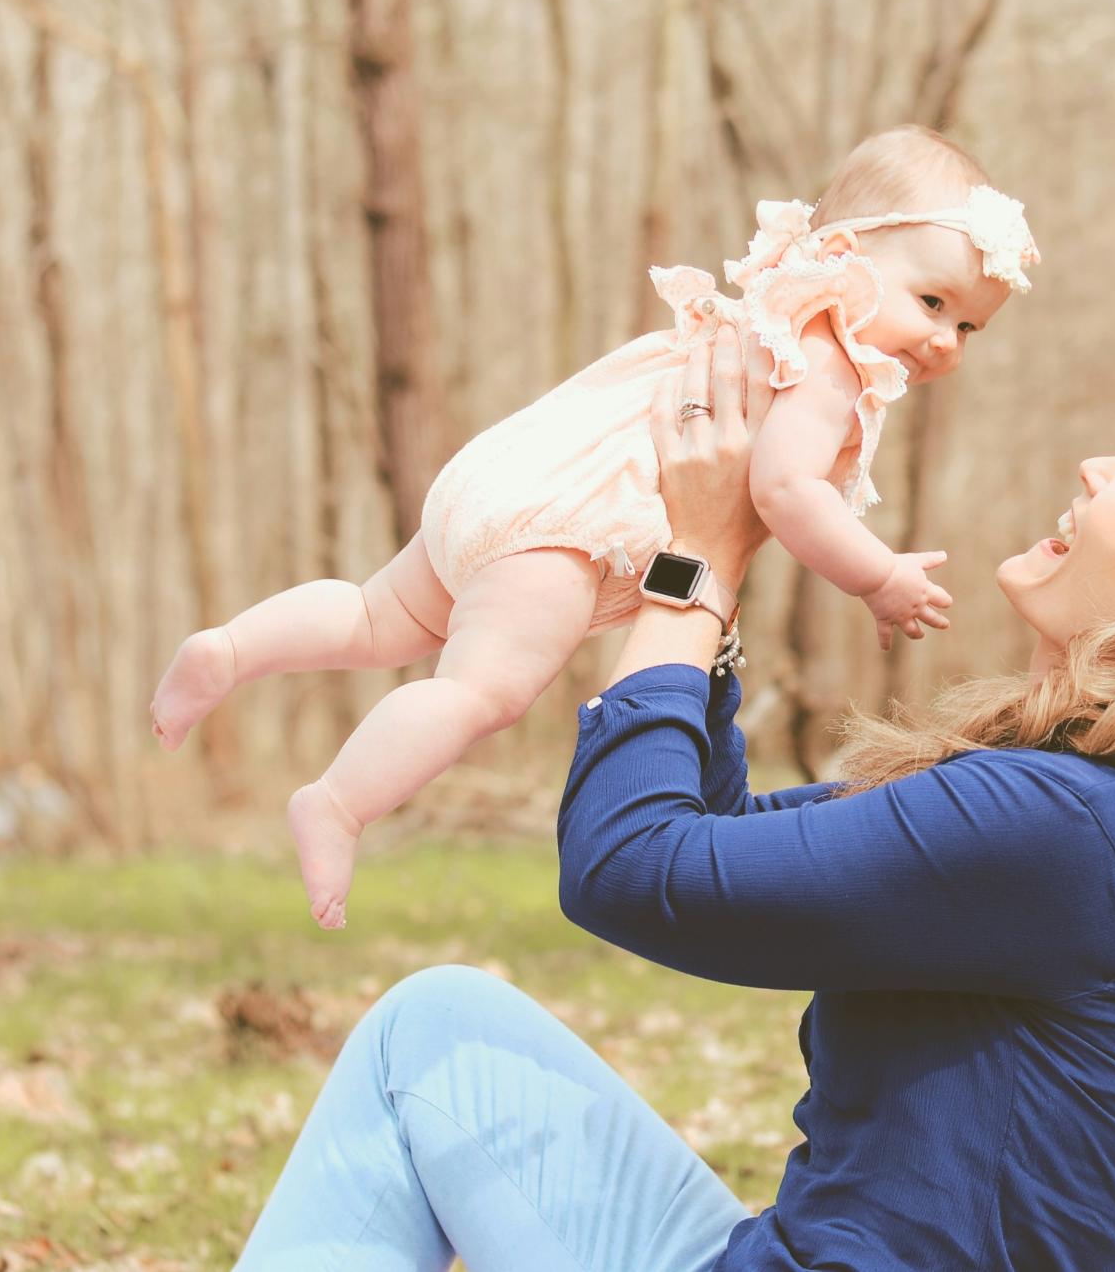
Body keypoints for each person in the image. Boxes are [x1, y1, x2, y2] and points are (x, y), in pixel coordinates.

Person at [230, 327, 1115, 1270]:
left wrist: (688, 573)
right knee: (439, 1032)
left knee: (423, 1040)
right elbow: (726, 847)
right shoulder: (1105, 828)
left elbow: (630, 868)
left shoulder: (1072, 833)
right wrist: (717, 566)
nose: (1093, 467)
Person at [146, 126, 1039, 930]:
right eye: (932, 303)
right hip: (565, 528)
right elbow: (783, 491)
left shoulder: (773, 308)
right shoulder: (829, 360)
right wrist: (875, 575)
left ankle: (231, 648)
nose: (947, 341)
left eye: (970, 326)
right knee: (480, 693)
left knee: (379, 615)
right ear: (845, 255)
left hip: (513, 472)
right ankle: (339, 803)